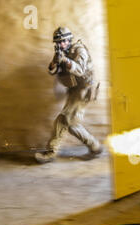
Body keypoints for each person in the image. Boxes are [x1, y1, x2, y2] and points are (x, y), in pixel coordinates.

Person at [35, 27, 102, 164]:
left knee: (65, 121)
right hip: (74, 90)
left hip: (84, 90)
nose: (59, 45)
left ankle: (52, 152)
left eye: (61, 42)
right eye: (57, 43)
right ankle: (95, 147)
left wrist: (65, 60)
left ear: (68, 40)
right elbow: (52, 70)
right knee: (68, 122)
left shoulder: (79, 50)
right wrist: (55, 61)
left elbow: (80, 69)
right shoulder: (62, 52)